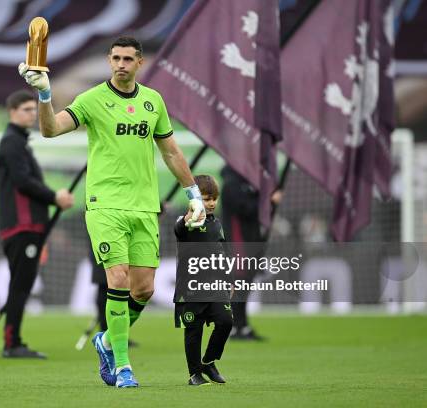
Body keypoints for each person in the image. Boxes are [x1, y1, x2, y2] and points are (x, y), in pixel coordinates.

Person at [18, 36, 206, 387]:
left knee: (144, 290)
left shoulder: (153, 101)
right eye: (116, 58)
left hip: (145, 207)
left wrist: (193, 193)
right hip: (105, 205)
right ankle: (122, 367)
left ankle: (105, 340)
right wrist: (44, 93)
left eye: (127, 59)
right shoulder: (92, 99)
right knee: (116, 280)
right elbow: (49, 129)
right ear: (109, 60)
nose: (121, 64)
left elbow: (170, 152)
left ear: (139, 63)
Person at [0, 90, 74, 358]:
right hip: (22, 227)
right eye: (26, 109)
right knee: (21, 285)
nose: (31, 114)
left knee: (22, 284)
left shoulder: (18, 143)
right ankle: (12, 343)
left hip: (26, 227)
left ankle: (13, 340)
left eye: (33, 109)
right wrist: (55, 197)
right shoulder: (11, 143)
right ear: (12, 112)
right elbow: (23, 182)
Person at [174, 175, 232, 386]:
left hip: (215, 286)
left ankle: (208, 361)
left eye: (214, 198)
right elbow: (179, 228)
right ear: (196, 200)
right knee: (194, 330)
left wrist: (229, 279)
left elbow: (224, 254)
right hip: (191, 288)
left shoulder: (217, 224)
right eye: (207, 199)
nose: (212, 203)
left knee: (226, 321)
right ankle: (194, 373)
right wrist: (189, 216)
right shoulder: (188, 221)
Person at [220, 165, 281, 340]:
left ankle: (242, 326)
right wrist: (269, 201)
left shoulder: (247, 183)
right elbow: (245, 208)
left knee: (244, 285)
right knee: (239, 284)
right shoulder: (232, 184)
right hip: (237, 242)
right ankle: (235, 326)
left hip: (249, 240)